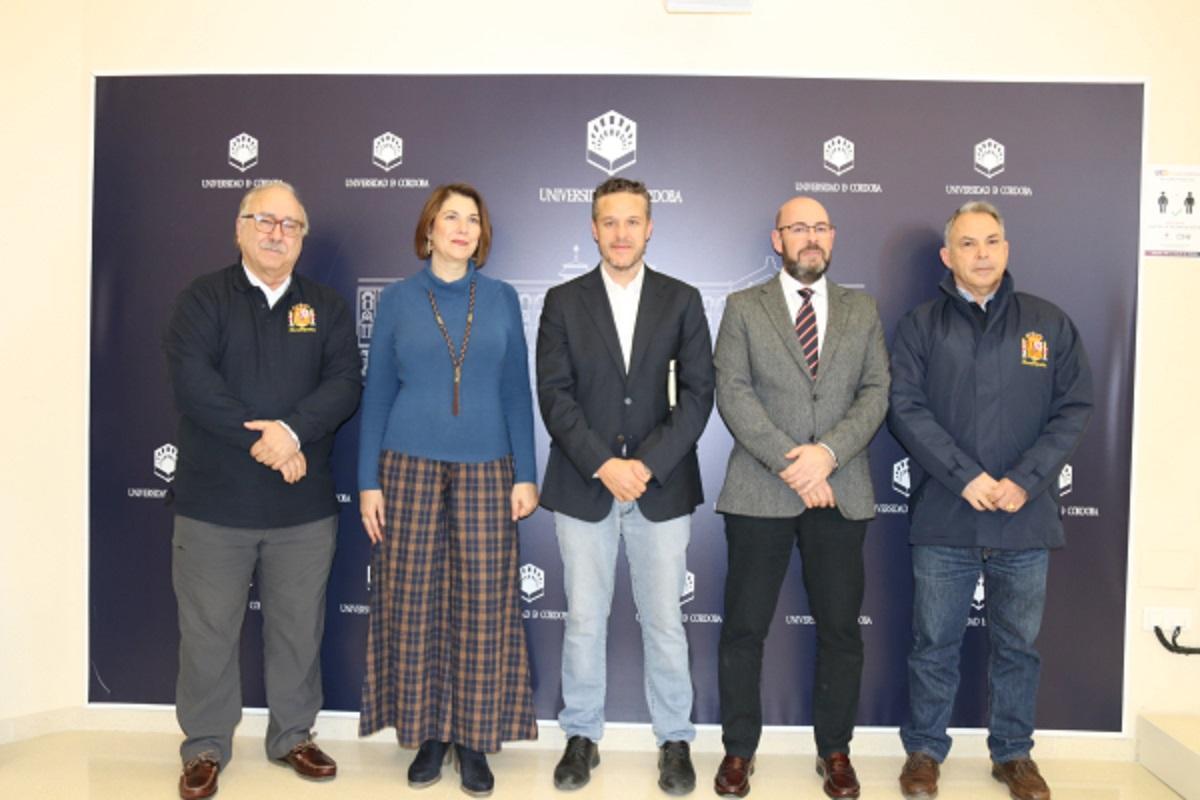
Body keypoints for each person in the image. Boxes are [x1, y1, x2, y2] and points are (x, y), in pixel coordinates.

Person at [163, 181, 361, 800]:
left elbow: (344, 384)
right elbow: (196, 386)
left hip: (301, 511)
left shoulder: (325, 306)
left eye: (290, 224)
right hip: (212, 506)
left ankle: (293, 736)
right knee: (208, 634)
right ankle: (204, 747)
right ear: (240, 228)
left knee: (298, 632)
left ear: (302, 237)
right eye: (264, 220)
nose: (277, 233)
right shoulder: (202, 300)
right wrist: (273, 445)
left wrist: (294, 433)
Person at [889, 201, 1093, 800]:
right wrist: (965, 477)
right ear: (947, 256)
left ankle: (1013, 755)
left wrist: (1027, 478)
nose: (982, 253)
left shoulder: (1048, 323)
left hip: (1025, 517)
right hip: (947, 514)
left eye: (993, 241)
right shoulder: (921, 325)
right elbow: (905, 408)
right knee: (934, 645)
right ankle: (924, 751)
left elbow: (1073, 409)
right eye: (969, 244)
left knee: (1017, 647)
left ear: (1007, 250)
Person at [357, 183, 539, 797]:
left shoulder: (504, 299)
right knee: (412, 604)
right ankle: (427, 732)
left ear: (482, 234)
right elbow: (377, 391)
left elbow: (517, 388)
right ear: (428, 228)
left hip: (489, 467)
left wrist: (526, 471)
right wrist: (366, 482)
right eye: (450, 217)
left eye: (472, 219)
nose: (462, 228)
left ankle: (474, 738)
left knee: (485, 608)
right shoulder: (398, 300)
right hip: (406, 466)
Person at [536, 176, 714, 795]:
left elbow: (698, 397)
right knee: (585, 618)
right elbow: (553, 397)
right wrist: (603, 464)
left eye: (631, 221)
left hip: (660, 487)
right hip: (585, 485)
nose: (620, 233)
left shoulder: (683, 299)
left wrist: (645, 464)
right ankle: (582, 735)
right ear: (593, 227)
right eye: (608, 221)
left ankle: (674, 740)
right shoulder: (563, 300)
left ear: (649, 227)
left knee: (665, 620)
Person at [711, 196, 888, 800]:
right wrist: (795, 461)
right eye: (798, 228)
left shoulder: (863, 309)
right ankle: (738, 752)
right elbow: (732, 392)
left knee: (841, 631)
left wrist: (828, 456)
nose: (810, 238)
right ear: (777, 238)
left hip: (841, 491)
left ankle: (835, 751)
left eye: (820, 228)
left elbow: (875, 392)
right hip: (761, 489)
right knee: (742, 629)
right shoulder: (742, 307)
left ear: (832, 238)